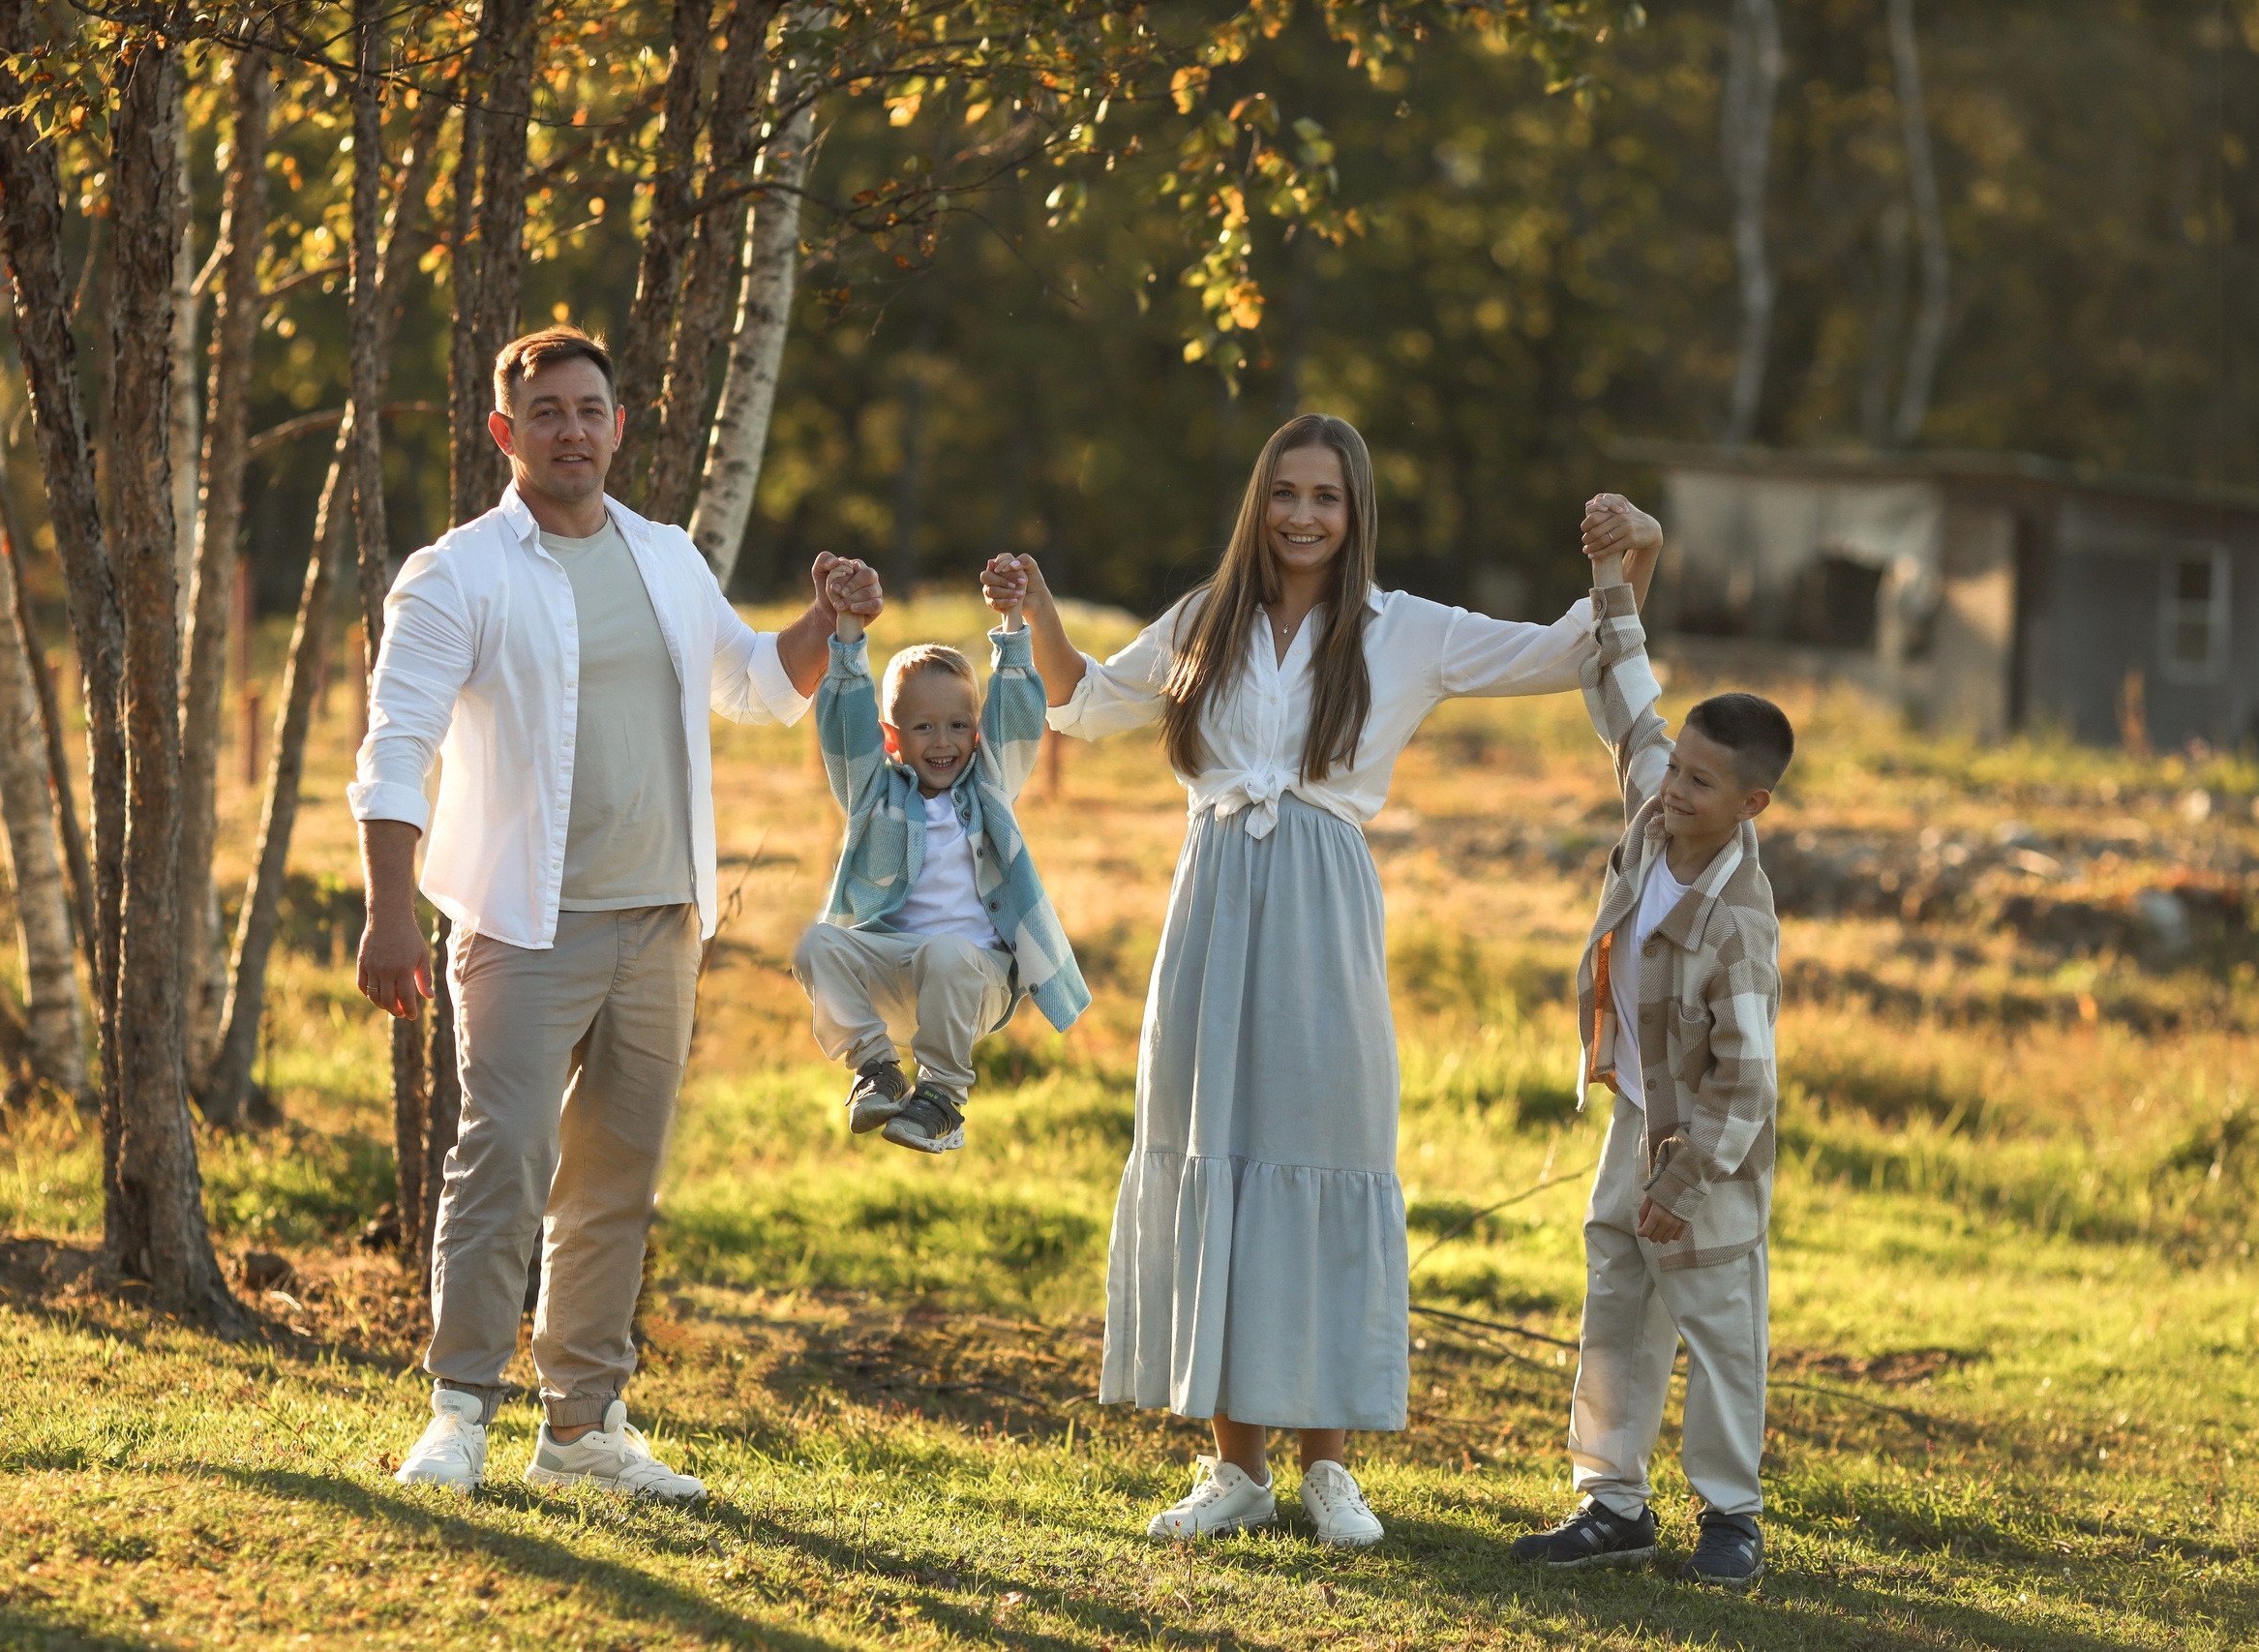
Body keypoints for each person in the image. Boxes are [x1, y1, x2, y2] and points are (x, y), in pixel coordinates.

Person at [981, 415, 1664, 1547]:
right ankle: (1234, 1469)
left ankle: (1328, 1466)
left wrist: (1635, 552)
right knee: (1218, 1146)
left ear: (1355, 515)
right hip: (1210, 905)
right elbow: (1086, 705)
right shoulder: (1203, 620)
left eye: (1326, 498)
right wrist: (1036, 613)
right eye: (1286, 493)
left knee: (1323, 1148)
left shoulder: (1409, 632)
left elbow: (1575, 649)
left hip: (1322, 900)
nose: (1302, 515)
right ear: (1260, 501)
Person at [350, 324, 883, 1499]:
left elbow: (754, 685)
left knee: (615, 1182)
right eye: (546, 412)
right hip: (520, 924)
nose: (571, 431)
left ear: (618, 426)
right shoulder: (456, 573)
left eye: (589, 410)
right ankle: (458, 1413)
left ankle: (582, 1431)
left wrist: (826, 624)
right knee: (503, 1159)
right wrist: (388, 912)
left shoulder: (666, 556)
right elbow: (395, 747)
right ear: (506, 432)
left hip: (660, 923)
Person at [1510, 505, 1788, 1587]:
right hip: (1637, 1113)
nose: (1675, 790)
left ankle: (1731, 1516)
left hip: (1708, 1146)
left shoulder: (1738, 928)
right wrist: (1617, 567)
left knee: (1715, 1319)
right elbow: (1626, 690)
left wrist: (1684, 1181)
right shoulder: (1653, 810)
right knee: (1617, 1299)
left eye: (1701, 784)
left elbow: (1746, 1084)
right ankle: (1611, 1502)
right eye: (1677, 771)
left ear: (1751, 804)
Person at [790, 561, 1088, 1153]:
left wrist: (1012, 619)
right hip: (895, 969)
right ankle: (877, 1069)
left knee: (947, 952)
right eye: (923, 727)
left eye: (958, 725)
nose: (944, 741)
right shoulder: (874, 796)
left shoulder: (989, 789)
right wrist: (847, 628)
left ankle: (942, 1099)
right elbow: (845, 729)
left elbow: (1017, 709)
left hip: (973, 980)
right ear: (893, 737)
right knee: (814, 943)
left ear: (977, 731)